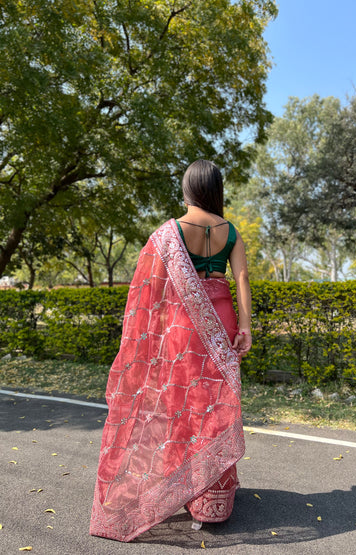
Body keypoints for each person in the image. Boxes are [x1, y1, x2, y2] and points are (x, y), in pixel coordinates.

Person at [90, 160, 252, 542]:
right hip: (223, 316)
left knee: (182, 402)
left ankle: (182, 489)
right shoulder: (230, 231)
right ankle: (213, 499)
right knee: (215, 402)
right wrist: (245, 326)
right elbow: (242, 277)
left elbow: (148, 290)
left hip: (184, 324)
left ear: (188, 188)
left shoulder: (170, 232)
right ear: (216, 189)